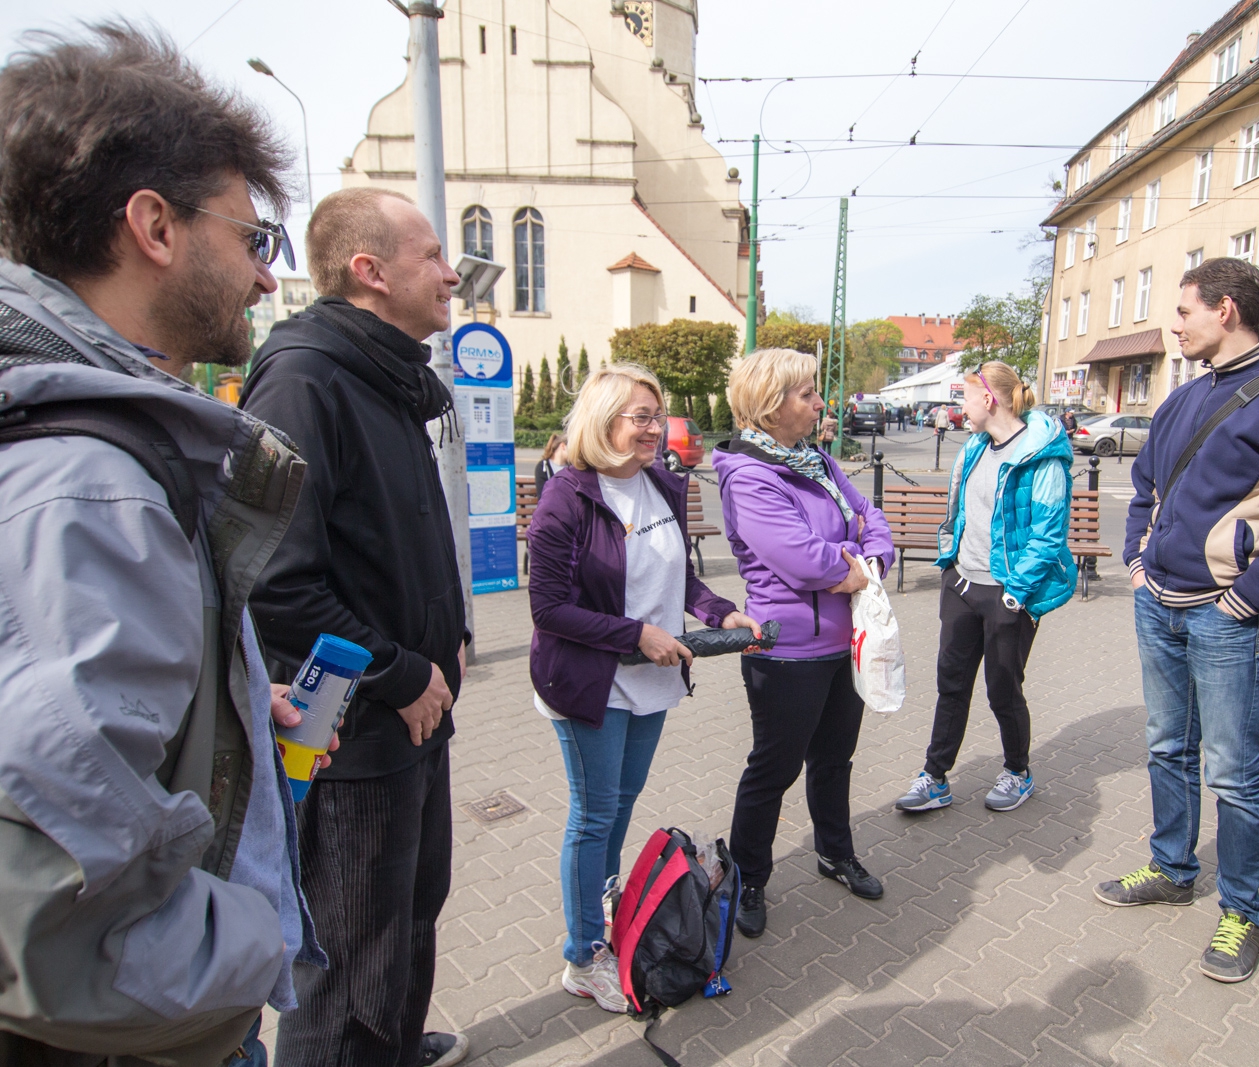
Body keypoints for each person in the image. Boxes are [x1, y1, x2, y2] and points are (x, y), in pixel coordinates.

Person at [0, 24, 324, 1066]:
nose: (265, 278)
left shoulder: (88, 446)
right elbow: (55, 903)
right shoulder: (91, 482)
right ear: (154, 226)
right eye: (251, 237)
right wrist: (252, 940)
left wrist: (222, 705)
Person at [241, 187, 471, 1067]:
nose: (452, 274)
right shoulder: (304, 379)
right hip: (355, 736)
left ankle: (395, 1043)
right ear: (369, 272)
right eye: (431, 256)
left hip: (415, 716)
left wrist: (439, 648)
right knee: (346, 964)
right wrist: (403, 672)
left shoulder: (388, 378)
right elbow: (277, 582)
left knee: (411, 913)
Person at [1094, 257, 1259, 984]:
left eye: (1183, 311)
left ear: (1227, 310)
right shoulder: (1180, 399)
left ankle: (1242, 908)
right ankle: (1173, 867)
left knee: (1234, 773)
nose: (1174, 324)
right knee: (1167, 747)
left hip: (1228, 619)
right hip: (1160, 606)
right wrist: (1138, 563)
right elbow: (1143, 489)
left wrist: (1245, 597)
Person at [527, 364, 759, 1011]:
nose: (656, 428)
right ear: (604, 422)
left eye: (658, 415)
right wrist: (636, 635)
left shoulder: (663, 482)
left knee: (622, 801)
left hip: (651, 678)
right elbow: (548, 607)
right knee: (594, 813)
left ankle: (602, 909)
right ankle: (581, 955)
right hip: (587, 681)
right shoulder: (567, 497)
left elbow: (678, 576)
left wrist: (719, 610)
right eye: (640, 417)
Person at [714, 349, 896, 939]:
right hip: (787, 651)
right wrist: (853, 566)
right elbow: (803, 558)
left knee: (834, 760)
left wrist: (869, 559)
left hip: (844, 643)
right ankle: (749, 877)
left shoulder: (814, 460)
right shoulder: (749, 474)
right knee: (774, 769)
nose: (821, 404)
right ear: (769, 406)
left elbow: (870, 515)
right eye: (807, 394)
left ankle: (834, 853)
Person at [894, 362, 1076, 815]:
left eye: (965, 397)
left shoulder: (1042, 456)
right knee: (950, 684)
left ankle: (1018, 771)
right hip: (961, 583)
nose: (961, 406)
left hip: (1007, 593)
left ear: (989, 399)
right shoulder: (975, 447)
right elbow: (961, 511)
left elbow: (1047, 534)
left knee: (1002, 688)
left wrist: (1015, 594)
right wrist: (950, 563)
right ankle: (934, 778)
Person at [535, 431, 568, 498]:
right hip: (551, 506)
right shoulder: (543, 467)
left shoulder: (573, 467)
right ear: (563, 446)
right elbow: (542, 495)